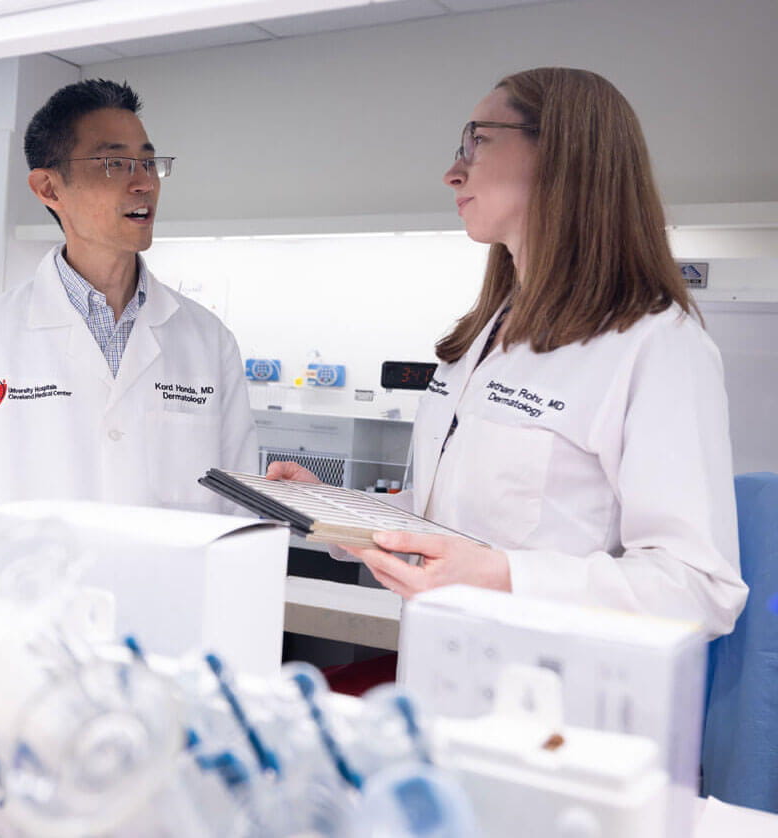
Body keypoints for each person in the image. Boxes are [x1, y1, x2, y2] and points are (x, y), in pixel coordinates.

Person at [269, 67, 747, 635]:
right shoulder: (485, 335)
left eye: (478, 141)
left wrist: (503, 576)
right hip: (440, 660)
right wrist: (337, 511)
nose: (453, 172)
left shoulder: (655, 344)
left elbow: (699, 588)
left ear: (561, 153)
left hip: (555, 682)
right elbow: (450, 523)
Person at [0, 79, 257, 534]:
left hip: (171, 583)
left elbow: (240, 509)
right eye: (114, 164)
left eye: (148, 162)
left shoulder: (208, 340)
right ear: (49, 188)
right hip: (30, 582)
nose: (144, 182)